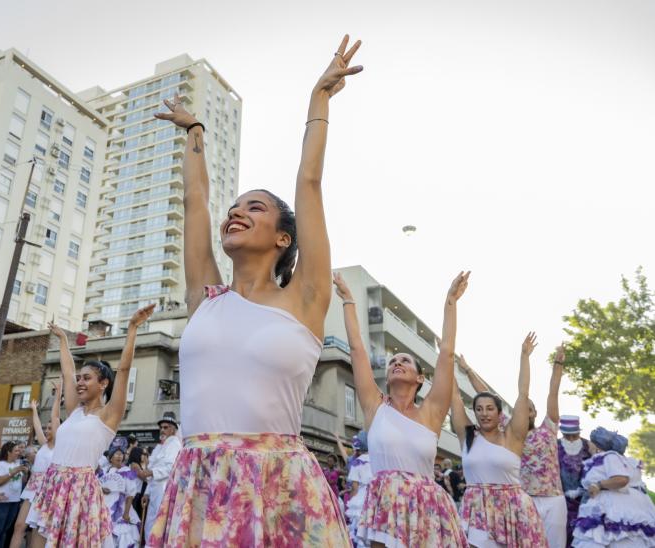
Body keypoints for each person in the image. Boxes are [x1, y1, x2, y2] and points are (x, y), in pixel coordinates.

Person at [147, 35, 362, 547]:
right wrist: (195, 131)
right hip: (198, 483)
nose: (236, 212)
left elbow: (308, 185)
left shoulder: (304, 299)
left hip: (279, 487)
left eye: (256, 207)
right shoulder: (206, 298)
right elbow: (196, 202)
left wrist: (319, 102)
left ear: (283, 238)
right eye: (236, 206)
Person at [335, 271, 469, 546]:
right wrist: (348, 301)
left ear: (420, 378)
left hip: (428, 508)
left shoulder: (432, 411)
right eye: (392, 360)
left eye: (405, 360)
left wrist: (450, 304)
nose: (396, 362)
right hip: (384, 503)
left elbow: (446, 353)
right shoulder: (375, 407)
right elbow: (358, 349)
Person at [27, 305, 153, 547]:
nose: (80, 383)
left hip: (80, 490)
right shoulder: (75, 410)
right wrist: (63, 339)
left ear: (104, 383)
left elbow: (124, 370)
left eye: (87, 378)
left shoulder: (108, 415)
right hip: (53, 485)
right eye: (80, 378)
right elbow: (67, 373)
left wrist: (132, 329)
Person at [462, 345, 568, 547]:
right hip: (523, 500)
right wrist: (467, 370)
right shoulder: (509, 432)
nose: (523, 411)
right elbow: (484, 394)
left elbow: (553, 393)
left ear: (534, 413)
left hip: (553, 500)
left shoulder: (549, 428)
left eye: (529, 409)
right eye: (521, 408)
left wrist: (558, 364)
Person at [450, 333, 546, 547]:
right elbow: (454, 396)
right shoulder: (468, 436)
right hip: (475, 509)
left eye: (490, 408)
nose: (484, 413)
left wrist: (524, 357)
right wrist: (447, 357)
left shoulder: (512, 436)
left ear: (499, 413)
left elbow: (523, 393)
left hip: (513, 511)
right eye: (479, 409)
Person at [572, 427, 655, 547]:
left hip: (619, 508)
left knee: (621, 540)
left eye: (590, 441)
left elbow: (621, 479)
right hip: (617, 505)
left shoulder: (610, 456)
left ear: (597, 445)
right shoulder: (616, 458)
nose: (587, 444)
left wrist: (599, 485)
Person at [9, 388, 61, 548]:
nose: (46, 430)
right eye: (46, 428)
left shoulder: (60, 448)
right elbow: (37, 424)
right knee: (19, 526)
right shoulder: (44, 444)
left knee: (38, 530)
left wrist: (58, 396)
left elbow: (56, 417)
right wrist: (33, 410)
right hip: (32, 488)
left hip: (47, 491)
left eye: (50, 428)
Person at [140, 412, 182, 542]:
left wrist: (151, 472)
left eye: (166, 427)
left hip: (165, 491)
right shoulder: (159, 447)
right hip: (154, 492)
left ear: (173, 429)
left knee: (160, 524)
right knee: (150, 524)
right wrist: (146, 493)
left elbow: (172, 468)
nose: (162, 430)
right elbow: (151, 473)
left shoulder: (174, 444)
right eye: (161, 427)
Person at [557, 415, 594, 544]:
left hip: (584, 499)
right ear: (562, 433)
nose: (571, 439)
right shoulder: (555, 445)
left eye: (575, 435)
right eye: (568, 436)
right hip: (561, 499)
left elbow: (595, 469)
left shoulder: (588, 446)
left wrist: (582, 489)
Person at [98, 447, 141, 548]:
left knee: (123, 535)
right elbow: (96, 485)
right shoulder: (104, 471)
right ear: (111, 458)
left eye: (121, 454)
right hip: (105, 509)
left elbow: (130, 495)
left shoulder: (126, 471)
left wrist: (126, 513)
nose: (119, 456)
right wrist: (101, 489)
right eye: (116, 454)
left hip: (122, 509)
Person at [0, 441, 26, 548]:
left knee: (4, 530)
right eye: (16, 450)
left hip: (14, 502)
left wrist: (25, 473)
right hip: (1, 502)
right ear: (8, 452)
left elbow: (20, 482)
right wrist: (12, 472)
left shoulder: (16, 463)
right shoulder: (0, 465)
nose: (19, 452)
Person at [344, 432, 371, 547]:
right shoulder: (377, 460)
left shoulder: (356, 463)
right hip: (375, 496)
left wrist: (351, 501)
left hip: (360, 498)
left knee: (358, 532)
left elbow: (354, 487)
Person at [127, 447, 148, 521]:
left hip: (136, 492)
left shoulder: (135, 464)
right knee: (135, 513)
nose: (143, 456)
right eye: (142, 454)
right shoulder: (134, 465)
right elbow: (143, 476)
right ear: (137, 454)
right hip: (134, 493)